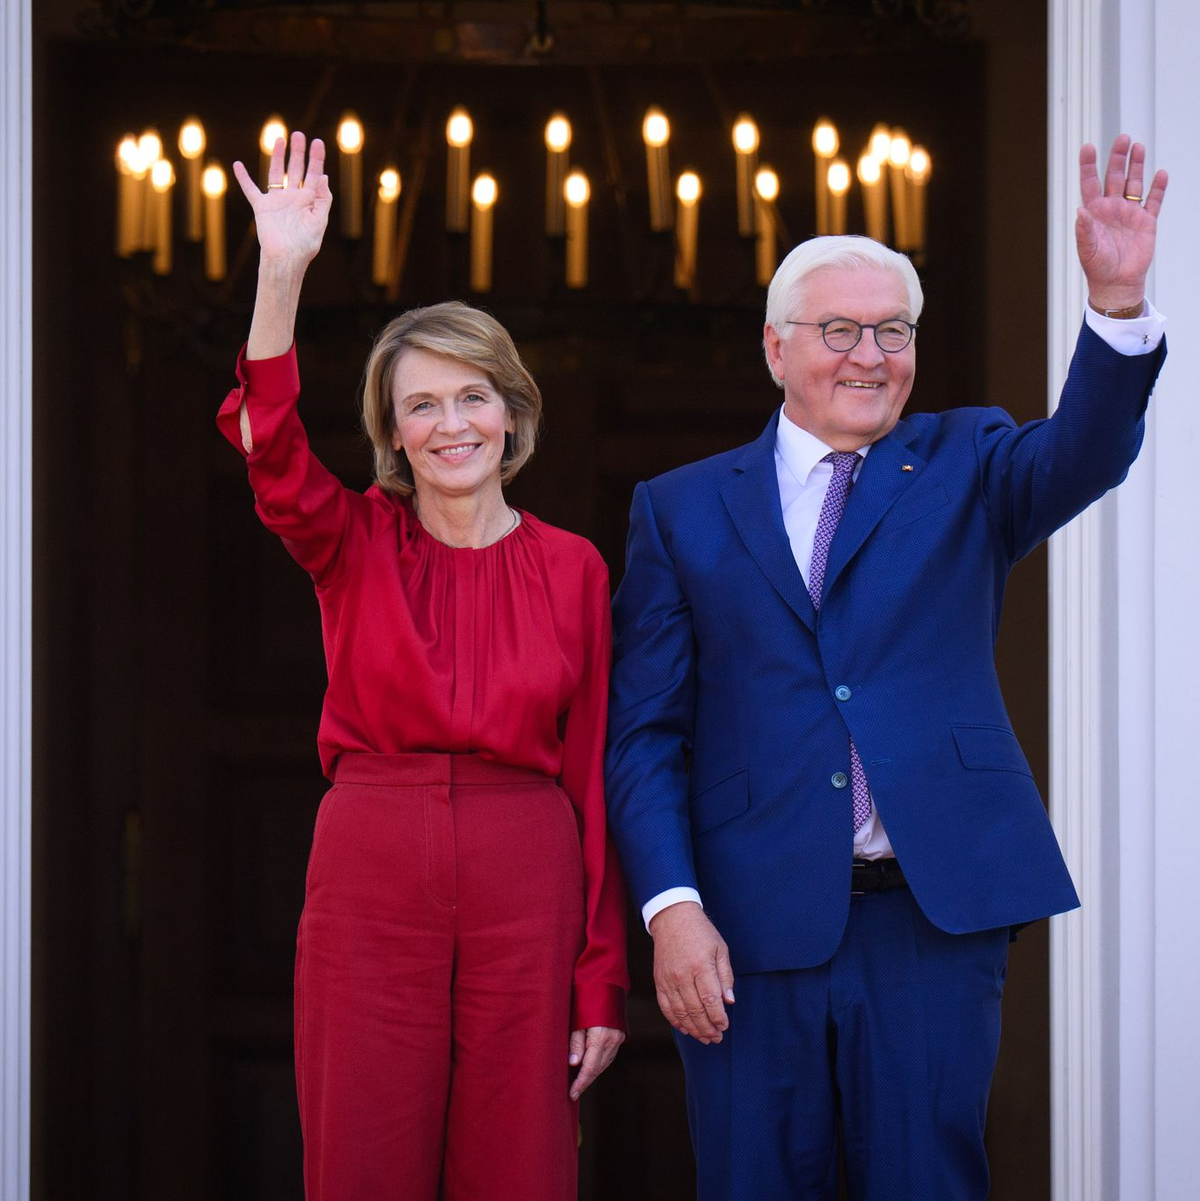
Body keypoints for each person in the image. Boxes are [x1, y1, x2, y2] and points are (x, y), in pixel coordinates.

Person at [604, 134, 1167, 1199]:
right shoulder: (680, 508)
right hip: (746, 925)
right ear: (776, 349)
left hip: (930, 917)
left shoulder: (968, 461)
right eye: (840, 330)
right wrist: (671, 907)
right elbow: (644, 735)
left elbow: (1088, 450)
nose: (870, 355)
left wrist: (1117, 303)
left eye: (893, 330)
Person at [217, 131, 627, 1200]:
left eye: (473, 396)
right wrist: (281, 271)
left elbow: (591, 772)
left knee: (520, 1167)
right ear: (392, 434)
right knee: (364, 1158)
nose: (452, 424)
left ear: (512, 411)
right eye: (421, 405)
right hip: (373, 867)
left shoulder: (575, 568)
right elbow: (269, 447)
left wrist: (601, 975)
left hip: (526, 871)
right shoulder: (351, 540)